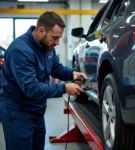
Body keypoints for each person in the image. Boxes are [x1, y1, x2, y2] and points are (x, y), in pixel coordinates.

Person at [0, 11, 86, 150]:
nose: (57, 42)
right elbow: (32, 88)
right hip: (17, 112)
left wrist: (73, 74)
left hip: (37, 110)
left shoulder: (48, 46)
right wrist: (64, 88)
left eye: (59, 38)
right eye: (54, 38)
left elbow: (56, 69)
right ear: (41, 30)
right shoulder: (20, 50)